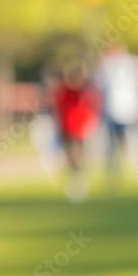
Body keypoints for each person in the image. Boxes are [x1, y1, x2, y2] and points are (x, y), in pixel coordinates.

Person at [95, 41, 138, 190]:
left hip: (131, 111)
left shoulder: (131, 62)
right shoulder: (104, 65)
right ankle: (113, 179)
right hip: (112, 112)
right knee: (113, 149)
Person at [53, 63, 100, 202]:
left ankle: (79, 181)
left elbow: (91, 109)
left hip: (80, 130)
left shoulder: (84, 92)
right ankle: (74, 181)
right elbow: (58, 109)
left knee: (79, 156)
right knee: (70, 157)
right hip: (67, 129)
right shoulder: (64, 91)